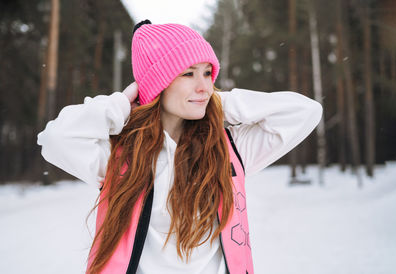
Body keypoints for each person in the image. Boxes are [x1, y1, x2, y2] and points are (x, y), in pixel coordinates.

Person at [37, 20, 323, 274]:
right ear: (158, 84)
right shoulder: (120, 156)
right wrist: (122, 104)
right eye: (188, 74)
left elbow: (305, 112)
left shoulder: (229, 151)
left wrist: (220, 103)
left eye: (207, 73)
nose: (204, 86)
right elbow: (55, 140)